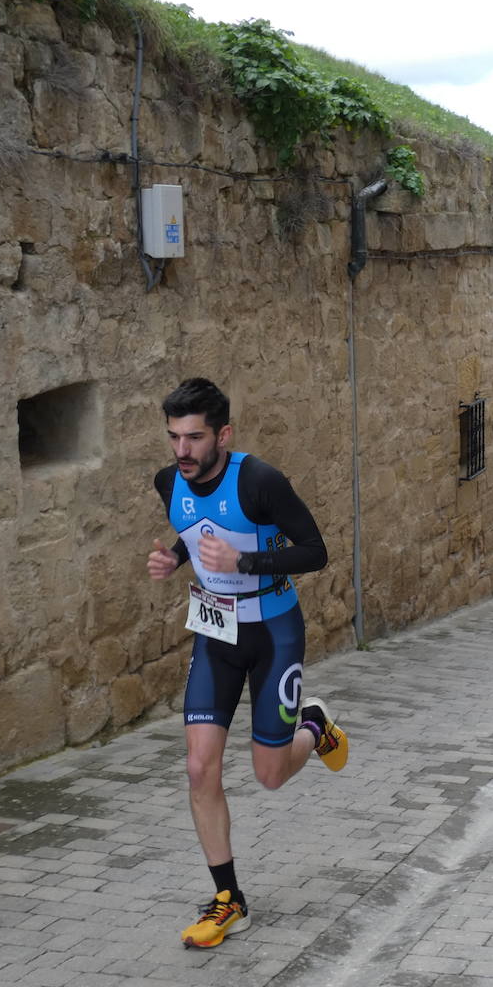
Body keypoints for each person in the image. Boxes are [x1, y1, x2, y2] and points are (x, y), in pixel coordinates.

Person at [146, 377, 349, 949]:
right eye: (173, 438)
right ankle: (228, 898)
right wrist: (175, 558)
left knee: (270, 774)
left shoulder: (260, 482)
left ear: (224, 434)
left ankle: (316, 727)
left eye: (193, 438)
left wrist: (246, 559)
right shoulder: (169, 481)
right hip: (215, 633)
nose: (181, 451)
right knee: (197, 768)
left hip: (273, 633)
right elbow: (193, 527)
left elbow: (315, 551)